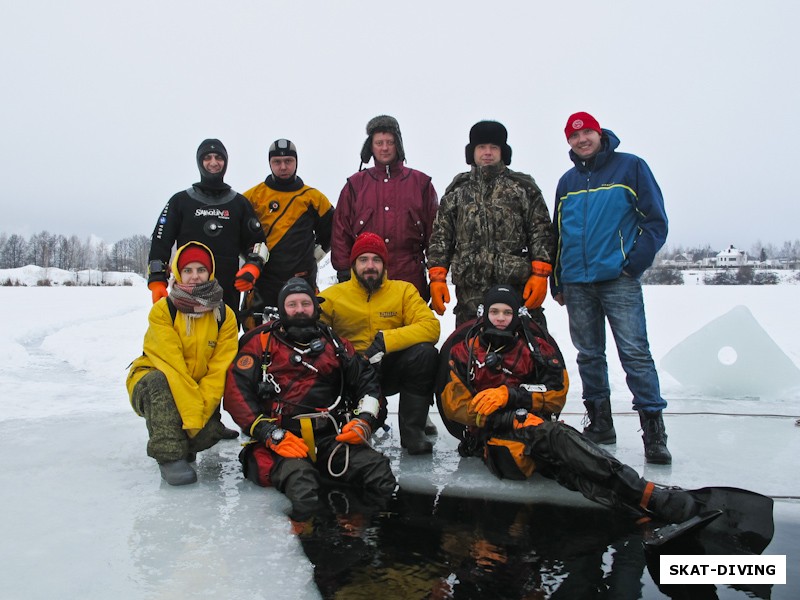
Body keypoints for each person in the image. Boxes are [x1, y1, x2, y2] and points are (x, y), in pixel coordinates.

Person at [436, 285, 697, 524]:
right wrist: (509, 418)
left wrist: (514, 396)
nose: (500, 318)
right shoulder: (464, 351)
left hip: (533, 427)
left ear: (517, 315)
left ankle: (636, 513)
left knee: (565, 469)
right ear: (484, 314)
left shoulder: (535, 348)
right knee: (558, 438)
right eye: (494, 311)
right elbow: (454, 406)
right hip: (491, 438)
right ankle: (645, 494)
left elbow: (557, 391)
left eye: (507, 311)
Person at [552, 112, 671, 464]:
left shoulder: (630, 167)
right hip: (576, 282)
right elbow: (558, 234)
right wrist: (557, 279)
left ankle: (653, 432)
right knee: (588, 355)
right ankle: (601, 423)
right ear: (569, 143)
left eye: (587, 132)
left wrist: (632, 265)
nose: (581, 139)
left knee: (634, 353)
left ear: (599, 133)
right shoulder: (567, 181)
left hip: (617, 279)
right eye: (574, 136)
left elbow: (655, 223)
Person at [223, 277, 397, 519]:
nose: (300, 310)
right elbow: (235, 393)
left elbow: (368, 384)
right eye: (292, 304)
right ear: (282, 309)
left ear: (315, 307)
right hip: (282, 442)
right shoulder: (260, 344)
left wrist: (364, 421)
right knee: (303, 487)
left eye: (305, 303)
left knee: (379, 473)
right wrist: (267, 433)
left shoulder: (335, 344)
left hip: (330, 439)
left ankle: (367, 541)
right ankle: (308, 544)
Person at [127, 242, 239, 486]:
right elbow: (172, 366)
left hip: (197, 387)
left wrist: (198, 417)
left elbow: (219, 371)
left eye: (201, 269)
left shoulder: (225, 315)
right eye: (187, 270)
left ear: (210, 272)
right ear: (178, 273)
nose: (195, 276)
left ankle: (186, 442)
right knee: (160, 382)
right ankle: (169, 456)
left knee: (206, 434)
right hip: (158, 378)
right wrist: (191, 416)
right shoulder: (163, 310)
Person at [319, 232, 440, 455]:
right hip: (351, 375)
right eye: (363, 260)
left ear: (385, 265)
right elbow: (314, 332)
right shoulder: (332, 297)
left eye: (376, 260)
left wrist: (386, 341)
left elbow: (431, 327)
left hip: (389, 369)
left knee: (425, 353)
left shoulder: (403, 291)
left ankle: (413, 432)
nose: (370, 266)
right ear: (354, 264)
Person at [427, 120, 555, 327]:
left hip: (516, 287)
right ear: (472, 152)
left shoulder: (523, 188)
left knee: (527, 349)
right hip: (470, 291)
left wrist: (540, 273)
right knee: (468, 350)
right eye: (481, 147)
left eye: (493, 147)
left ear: (503, 151)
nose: (487, 152)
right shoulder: (457, 191)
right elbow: (441, 237)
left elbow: (541, 231)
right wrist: (437, 276)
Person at [146, 138, 268, 321]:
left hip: (227, 290)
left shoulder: (239, 203)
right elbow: (160, 241)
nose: (213, 162)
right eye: (207, 157)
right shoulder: (180, 201)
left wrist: (253, 265)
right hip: (188, 291)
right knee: (186, 341)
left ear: (225, 162)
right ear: (199, 162)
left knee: (225, 343)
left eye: (218, 157)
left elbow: (258, 243)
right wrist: (156, 280)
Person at [331, 115, 438, 301]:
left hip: (410, 281)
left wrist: (437, 276)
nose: (385, 148)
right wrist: (343, 273)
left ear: (399, 145)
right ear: (370, 147)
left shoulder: (421, 184)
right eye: (379, 142)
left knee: (413, 330)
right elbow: (341, 232)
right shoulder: (355, 186)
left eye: (390, 142)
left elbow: (435, 234)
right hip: (366, 281)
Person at [237, 139, 334, 329]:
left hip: (302, 279)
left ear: (296, 162)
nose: (283, 167)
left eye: (288, 161)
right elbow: (238, 233)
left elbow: (333, 229)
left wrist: (316, 254)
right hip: (263, 281)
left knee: (304, 332)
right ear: (269, 163)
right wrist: (250, 260)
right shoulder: (252, 197)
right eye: (277, 162)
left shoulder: (313, 198)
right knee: (258, 336)